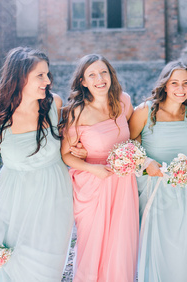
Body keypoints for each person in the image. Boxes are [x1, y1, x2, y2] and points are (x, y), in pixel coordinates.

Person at [0, 47, 73, 281]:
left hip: (54, 193)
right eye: (40, 75)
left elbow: (68, 146)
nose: (47, 80)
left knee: (47, 262)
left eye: (47, 74)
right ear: (20, 77)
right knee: (13, 262)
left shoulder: (54, 104)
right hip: (14, 196)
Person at [60, 54, 138, 282]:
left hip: (123, 182)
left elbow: (133, 136)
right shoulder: (77, 111)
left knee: (121, 243)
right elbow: (66, 154)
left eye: (103, 72)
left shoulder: (124, 101)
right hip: (93, 182)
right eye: (91, 75)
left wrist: (132, 156)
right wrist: (94, 169)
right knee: (93, 244)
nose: (99, 79)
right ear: (83, 82)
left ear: (111, 75)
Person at [129, 61, 187, 282]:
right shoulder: (145, 111)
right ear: (165, 86)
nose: (180, 89)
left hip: (181, 189)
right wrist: (146, 161)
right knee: (154, 245)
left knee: (180, 244)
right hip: (152, 188)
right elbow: (128, 145)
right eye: (174, 83)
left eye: (186, 83)